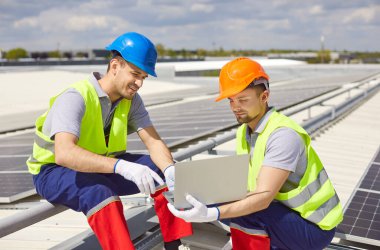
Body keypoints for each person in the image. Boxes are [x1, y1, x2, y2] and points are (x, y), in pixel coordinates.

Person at [26, 32, 192, 250]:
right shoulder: (76, 97)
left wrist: (170, 169)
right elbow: (64, 153)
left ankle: (175, 245)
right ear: (115, 66)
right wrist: (121, 166)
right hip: (53, 171)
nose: (139, 83)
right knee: (100, 192)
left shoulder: (131, 100)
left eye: (144, 77)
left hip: (100, 165)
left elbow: (153, 142)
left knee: (162, 171)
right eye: (135, 74)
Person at [168, 57, 343, 250]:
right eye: (231, 100)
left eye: (243, 99)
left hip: (314, 226)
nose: (235, 107)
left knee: (248, 211)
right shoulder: (245, 130)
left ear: (264, 96)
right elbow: (247, 186)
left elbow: (262, 198)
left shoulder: (283, 135)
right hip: (283, 213)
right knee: (212, 199)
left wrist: (214, 214)